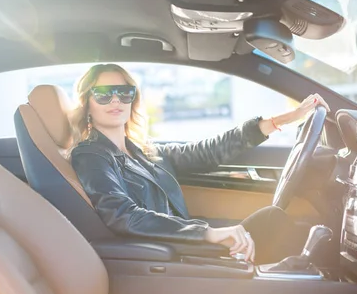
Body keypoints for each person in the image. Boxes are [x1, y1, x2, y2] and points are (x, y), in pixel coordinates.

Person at [70, 64, 330, 264]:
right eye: (103, 94)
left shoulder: (145, 151)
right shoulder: (91, 155)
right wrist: (205, 233)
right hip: (172, 252)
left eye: (124, 92)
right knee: (274, 223)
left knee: (289, 226)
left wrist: (287, 118)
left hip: (185, 241)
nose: (115, 100)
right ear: (87, 103)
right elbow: (123, 216)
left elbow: (209, 151)